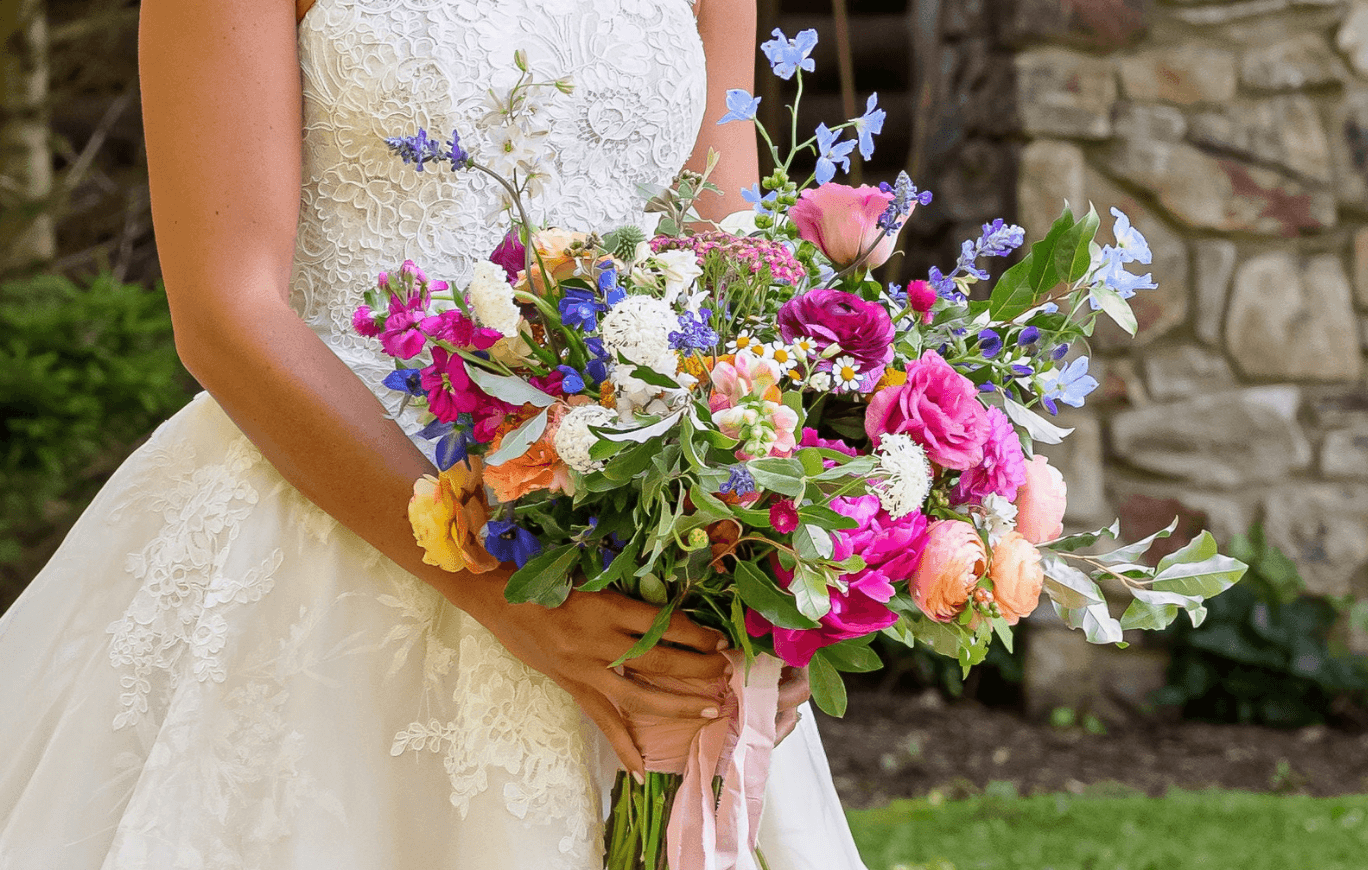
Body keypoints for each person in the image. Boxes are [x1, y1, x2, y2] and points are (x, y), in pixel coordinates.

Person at [0, 0, 870, 866]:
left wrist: (759, 598)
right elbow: (226, 315)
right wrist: (510, 594)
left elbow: (729, 269)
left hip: (630, 531)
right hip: (334, 517)